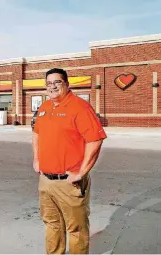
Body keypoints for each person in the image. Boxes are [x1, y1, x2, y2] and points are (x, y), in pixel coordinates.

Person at [32, 68, 107, 254]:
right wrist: (36, 159)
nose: (52, 87)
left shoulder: (80, 107)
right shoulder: (44, 107)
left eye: (57, 82)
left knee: (76, 230)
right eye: (49, 83)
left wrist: (81, 172)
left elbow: (95, 140)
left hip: (69, 182)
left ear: (66, 84)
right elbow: (36, 133)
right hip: (45, 181)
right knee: (52, 224)